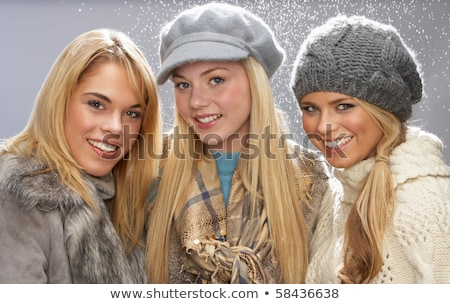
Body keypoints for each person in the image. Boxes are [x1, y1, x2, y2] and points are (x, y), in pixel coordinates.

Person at [145, 2, 329, 284]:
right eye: (183, 85)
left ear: (255, 82)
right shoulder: (150, 170)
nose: (196, 102)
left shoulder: (311, 178)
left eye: (216, 79)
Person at [291, 15, 450, 283]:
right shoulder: (336, 192)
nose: (324, 126)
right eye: (310, 108)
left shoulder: (425, 203)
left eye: (344, 106)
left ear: (384, 110)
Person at [0, 28, 162, 283]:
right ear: (59, 100)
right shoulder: (19, 195)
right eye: (97, 104)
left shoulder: (129, 199)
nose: (116, 128)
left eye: (132, 113)